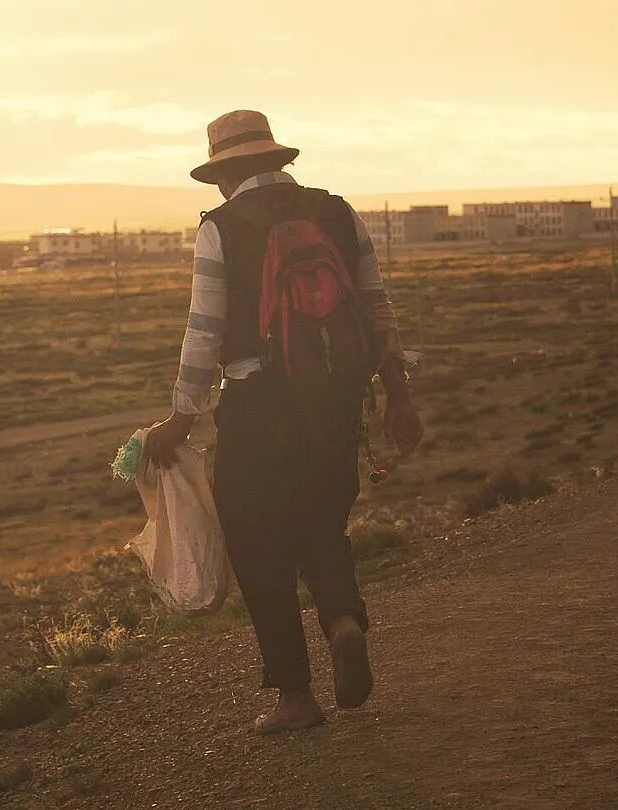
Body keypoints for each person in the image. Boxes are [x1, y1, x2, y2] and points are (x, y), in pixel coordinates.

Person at [144, 110, 423, 734]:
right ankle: (343, 621)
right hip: (336, 399)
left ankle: (296, 696)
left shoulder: (220, 227)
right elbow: (376, 307)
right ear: (276, 159)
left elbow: (203, 330)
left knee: (257, 542)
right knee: (323, 524)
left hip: (257, 404)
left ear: (225, 174)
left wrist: (181, 419)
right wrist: (397, 396)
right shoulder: (337, 212)